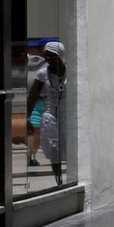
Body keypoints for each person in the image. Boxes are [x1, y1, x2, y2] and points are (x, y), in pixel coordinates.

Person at [26, 42, 69, 187]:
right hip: (50, 114)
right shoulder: (42, 73)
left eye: (52, 55)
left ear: (60, 56)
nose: (48, 58)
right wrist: (27, 117)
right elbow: (33, 97)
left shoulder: (72, 71)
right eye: (47, 55)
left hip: (68, 115)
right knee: (54, 147)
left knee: (70, 147)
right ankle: (59, 181)